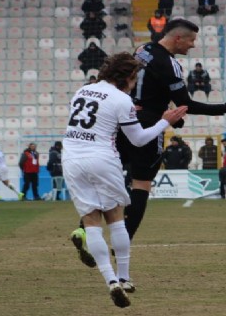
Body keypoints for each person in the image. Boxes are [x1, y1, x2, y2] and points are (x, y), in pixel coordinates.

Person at [70, 19, 226, 256]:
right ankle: (121, 245)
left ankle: (83, 229)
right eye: (191, 40)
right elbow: (187, 104)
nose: (193, 45)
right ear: (178, 39)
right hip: (149, 126)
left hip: (124, 120)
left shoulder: (142, 50)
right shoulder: (170, 64)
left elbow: (146, 86)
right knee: (141, 184)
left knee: (108, 178)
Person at [64, 52, 188, 307]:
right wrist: (164, 121)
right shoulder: (122, 99)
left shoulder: (82, 91)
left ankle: (110, 280)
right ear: (129, 76)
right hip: (101, 158)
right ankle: (124, 277)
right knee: (116, 218)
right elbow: (139, 139)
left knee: (91, 221)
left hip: (72, 159)